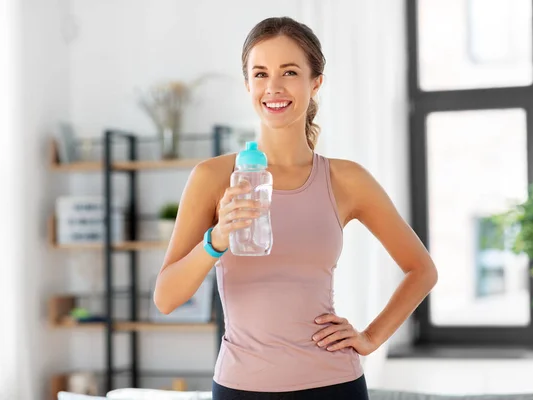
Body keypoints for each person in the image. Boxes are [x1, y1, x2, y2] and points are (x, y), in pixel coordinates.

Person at [153, 16, 438, 400]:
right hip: (241, 388)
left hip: (334, 385)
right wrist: (217, 238)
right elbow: (166, 298)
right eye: (260, 73)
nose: (273, 87)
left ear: (315, 82)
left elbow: (421, 270)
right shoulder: (213, 177)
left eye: (289, 72)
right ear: (247, 85)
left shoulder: (345, 180)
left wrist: (370, 337)